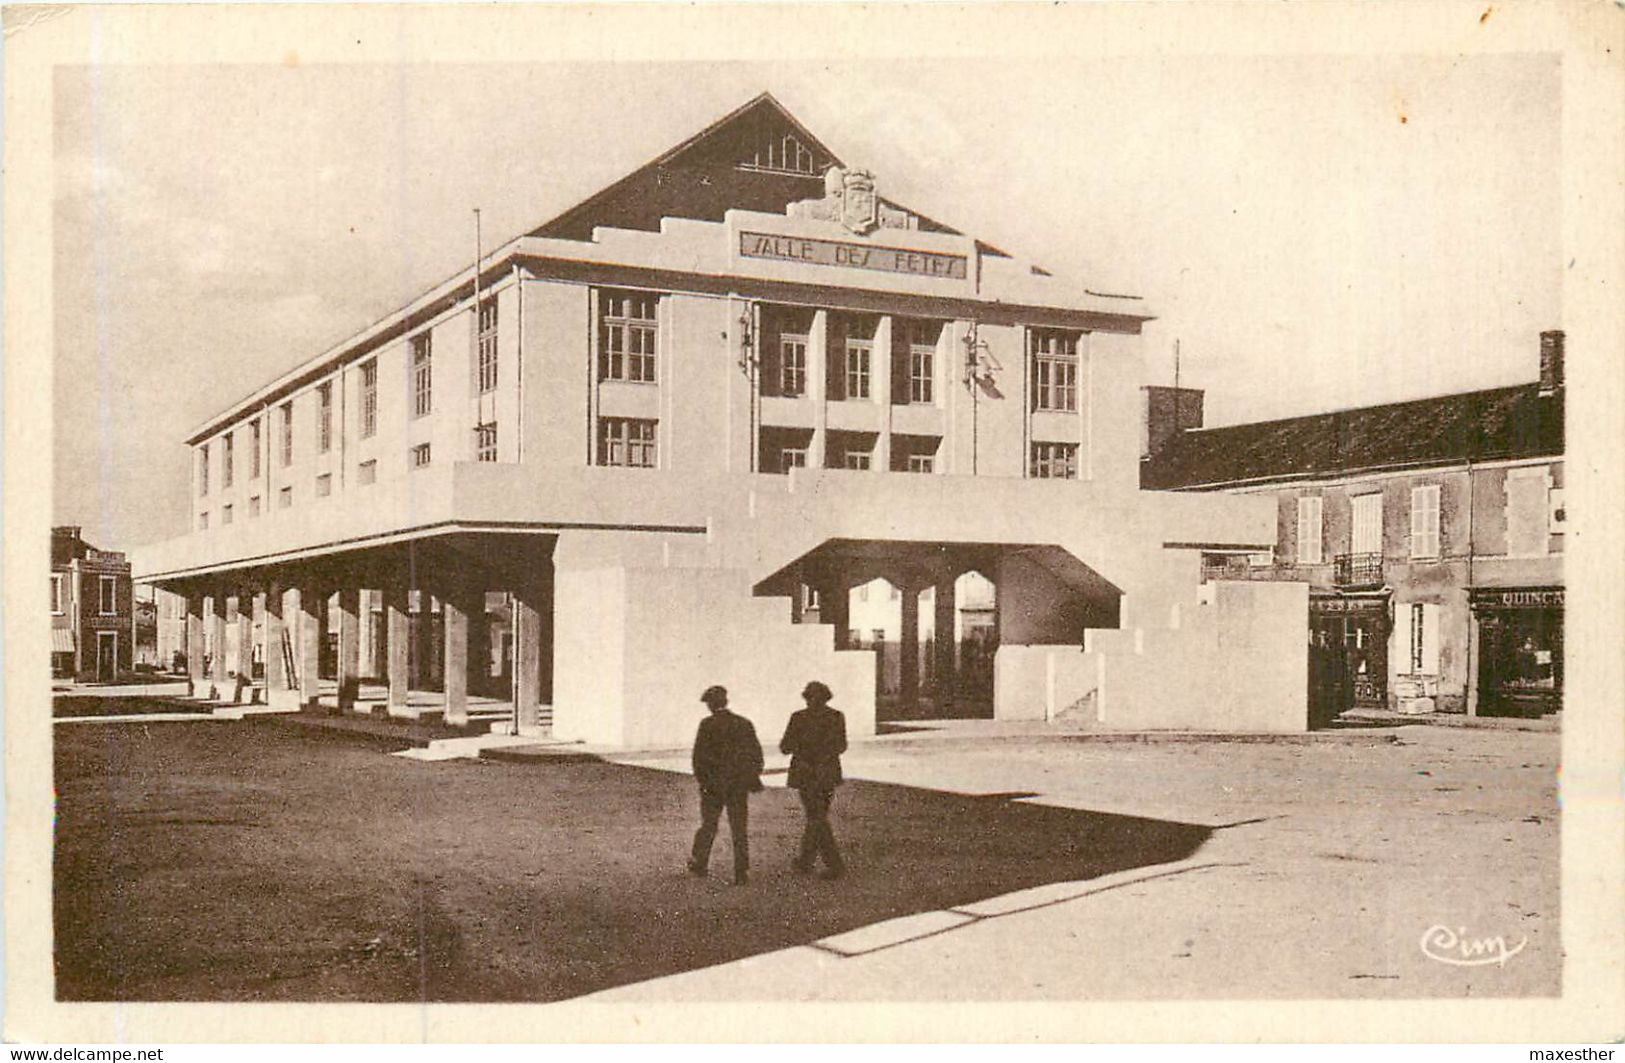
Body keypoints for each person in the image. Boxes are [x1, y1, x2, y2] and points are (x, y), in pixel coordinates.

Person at [688, 685, 764, 886]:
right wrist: (751, 778)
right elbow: (756, 755)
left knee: (709, 825)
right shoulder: (744, 723)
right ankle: (741, 872)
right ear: (726, 702)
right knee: (739, 829)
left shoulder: (707, 725)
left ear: (711, 705)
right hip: (737, 786)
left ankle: (700, 862)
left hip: (713, 786)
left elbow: (699, 758)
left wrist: (703, 781)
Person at [780, 680, 847, 879]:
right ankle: (805, 860)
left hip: (805, 775)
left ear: (807, 698)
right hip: (827, 775)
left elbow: (785, 747)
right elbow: (841, 746)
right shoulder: (836, 717)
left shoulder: (798, 718)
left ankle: (834, 865)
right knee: (817, 816)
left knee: (816, 818)